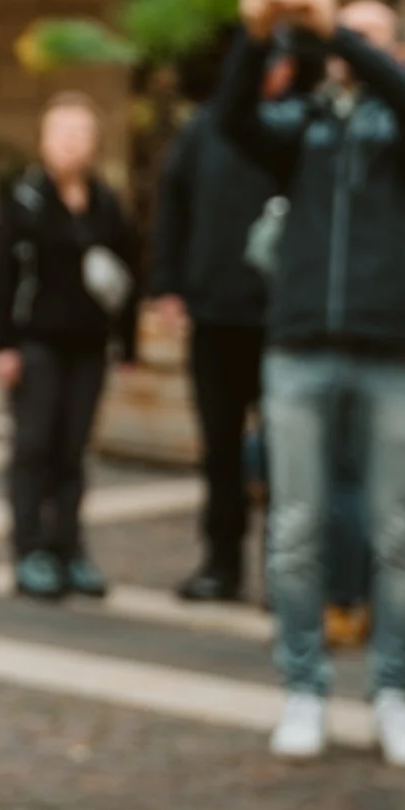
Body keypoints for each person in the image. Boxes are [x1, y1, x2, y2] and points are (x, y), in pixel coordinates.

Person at [217, 0, 405, 767]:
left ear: (398, 49)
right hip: (300, 346)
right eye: (341, 32)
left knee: (399, 535)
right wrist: (256, 37)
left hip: (393, 351)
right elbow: (232, 121)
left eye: (371, 33)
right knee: (293, 531)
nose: (349, 44)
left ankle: (395, 693)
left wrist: (339, 31)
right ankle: (304, 688)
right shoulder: (305, 125)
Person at [0, 92, 137, 600]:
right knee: (33, 447)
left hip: (89, 345)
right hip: (36, 343)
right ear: (44, 140)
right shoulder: (26, 200)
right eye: (62, 133)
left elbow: (127, 274)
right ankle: (30, 548)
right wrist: (2, 345)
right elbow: (2, 276)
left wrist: (130, 347)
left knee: (73, 451)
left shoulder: (105, 202)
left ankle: (68, 546)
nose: (72, 143)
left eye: (81, 133)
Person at [145, 46, 280, 602]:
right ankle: (221, 563)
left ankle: (285, 571)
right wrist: (167, 286)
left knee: (285, 457)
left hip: (281, 321)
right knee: (220, 451)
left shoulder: (294, 130)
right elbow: (171, 206)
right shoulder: (203, 130)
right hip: (216, 314)